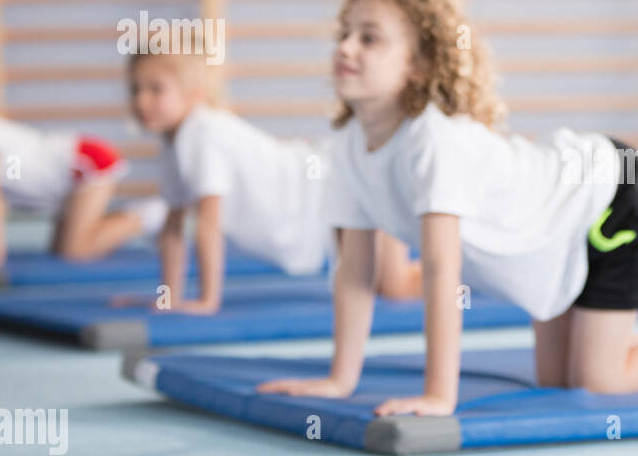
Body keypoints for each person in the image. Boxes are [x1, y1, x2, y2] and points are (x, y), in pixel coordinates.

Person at [256, 0, 638, 411]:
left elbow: (444, 274)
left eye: (369, 37)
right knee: (558, 383)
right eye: (343, 34)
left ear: (417, 65)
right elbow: (355, 271)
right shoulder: (349, 144)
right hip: (550, 229)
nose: (346, 47)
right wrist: (338, 380)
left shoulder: (434, 141)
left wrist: (438, 396)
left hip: (610, 189)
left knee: (598, 383)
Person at [128, 45, 420, 313]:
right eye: (135, 89)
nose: (142, 101)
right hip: (323, 193)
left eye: (156, 90)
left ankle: (458, 272)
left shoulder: (205, 135)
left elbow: (208, 226)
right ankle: (450, 267)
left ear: (194, 94)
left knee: (393, 286)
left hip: (342, 175)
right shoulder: (173, 143)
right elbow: (172, 231)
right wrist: (169, 298)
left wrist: (207, 301)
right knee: (376, 285)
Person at [0, 80, 162, 267]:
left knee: (75, 251)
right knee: (60, 250)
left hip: (85, 161)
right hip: (70, 173)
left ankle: (152, 214)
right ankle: (129, 216)